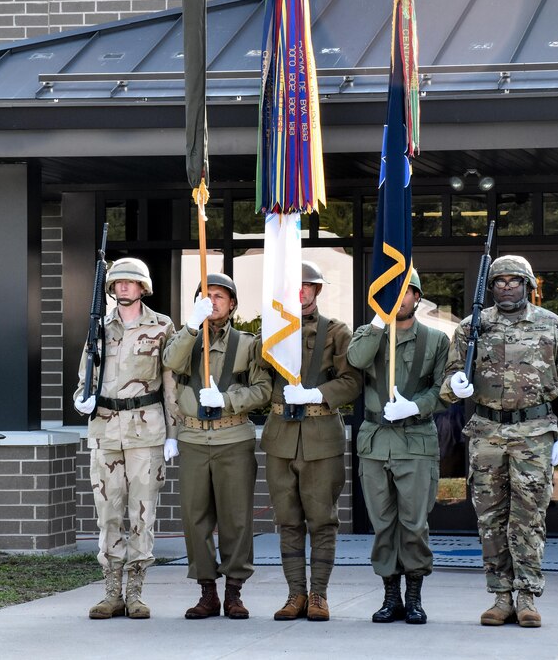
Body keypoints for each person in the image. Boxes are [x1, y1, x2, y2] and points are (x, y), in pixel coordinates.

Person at [442, 255, 558, 629]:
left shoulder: (552, 326)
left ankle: (527, 596)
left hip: (534, 434)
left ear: (529, 285)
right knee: (490, 519)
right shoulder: (473, 327)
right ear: (491, 287)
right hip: (487, 433)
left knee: (529, 518)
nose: (507, 285)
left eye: (515, 280)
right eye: (500, 280)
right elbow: (450, 375)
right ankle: (500, 596)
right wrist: (454, 385)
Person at [72, 257, 179, 621]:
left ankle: (135, 593)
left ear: (142, 288)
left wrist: (173, 433)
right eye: (117, 282)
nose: (123, 287)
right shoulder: (98, 327)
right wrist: (80, 401)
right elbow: (84, 379)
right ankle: (111, 592)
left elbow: (170, 383)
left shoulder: (162, 325)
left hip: (146, 431)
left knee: (142, 514)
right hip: (105, 430)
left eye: (130, 282)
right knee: (108, 513)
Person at [162, 273, 272, 620]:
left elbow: (263, 390)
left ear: (233, 304)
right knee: (195, 518)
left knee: (235, 518)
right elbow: (170, 363)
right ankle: (207, 591)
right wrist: (192, 326)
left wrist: (225, 398)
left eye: (219, 296)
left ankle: (234, 592)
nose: (213, 301)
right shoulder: (185, 338)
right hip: (193, 438)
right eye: (205, 296)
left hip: (232, 438)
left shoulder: (246, 343)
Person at [347, 269, 449, 625]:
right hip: (375, 442)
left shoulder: (436, 340)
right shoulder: (368, 332)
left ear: (417, 298)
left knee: (414, 523)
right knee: (383, 524)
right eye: (392, 292)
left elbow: (443, 389)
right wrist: (378, 320)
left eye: (406, 292)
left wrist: (416, 405)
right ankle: (390, 595)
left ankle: (415, 596)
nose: (399, 298)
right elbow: (357, 360)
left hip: (416, 441)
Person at [262, 261, 362, 623]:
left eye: (308, 286)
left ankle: (318, 593)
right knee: (288, 521)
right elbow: (258, 381)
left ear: (317, 291)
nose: (301, 291)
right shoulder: (272, 332)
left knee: (322, 521)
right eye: (296, 286)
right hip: (280, 438)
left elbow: (352, 381)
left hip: (321, 438)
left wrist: (316, 394)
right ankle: (295, 595)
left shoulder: (336, 331)